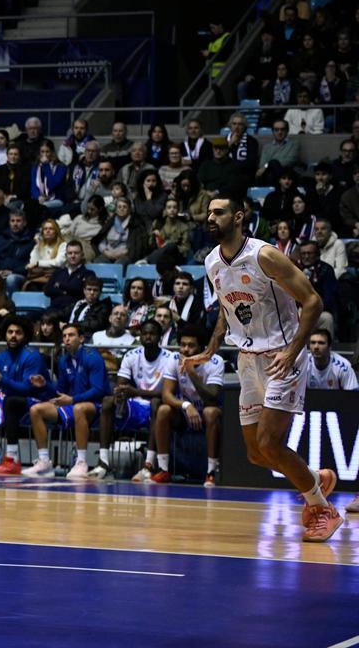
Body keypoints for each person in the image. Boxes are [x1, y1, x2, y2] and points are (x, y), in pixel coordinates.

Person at [185, 196, 342, 542]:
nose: (210, 217)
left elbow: (313, 301)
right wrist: (211, 348)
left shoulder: (265, 255)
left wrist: (293, 350)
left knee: (269, 443)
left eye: (218, 212)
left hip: (281, 355)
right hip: (247, 358)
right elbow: (226, 309)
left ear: (238, 217)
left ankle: (323, 509)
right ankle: (314, 478)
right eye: (208, 212)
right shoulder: (211, 262)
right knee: (256, 454)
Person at [87, 320, 178, 481]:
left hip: (159, 406)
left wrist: (135, 391)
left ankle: (148, 464)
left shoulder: (170, 358)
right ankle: (103, 462)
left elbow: (167, 393)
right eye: (145, 333)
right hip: (137, 404)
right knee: (107, 401)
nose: (148, 336)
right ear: (140, 336)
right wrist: (120, 393)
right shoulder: (131, 355)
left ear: (160, 337)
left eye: (152, 334)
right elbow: (122, 385)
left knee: (156, 403)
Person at [24, 324, 111, 478]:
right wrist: (45, 385)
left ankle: (81, 462)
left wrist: (73, 399)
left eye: (71, 335)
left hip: (96, 405)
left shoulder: (93, 357)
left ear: (81, 339)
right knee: (36, 409)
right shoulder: (64, 360)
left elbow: (98, 389)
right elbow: (60, 391)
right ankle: (44, 463)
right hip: (73, 403)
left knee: (79, 408)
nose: (67, 339)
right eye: (64, 336)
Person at [159, 325, 225, 486]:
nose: (185, 350)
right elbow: (166, 395)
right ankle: (163, 469)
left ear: (202, 348)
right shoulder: (174, 358)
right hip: (186, 412)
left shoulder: (216, 361)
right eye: (182, 345)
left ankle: (211, 471)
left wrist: (191, 372)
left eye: (191, 345)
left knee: (210, 412)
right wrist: (186, 405)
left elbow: (212, 398)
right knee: (163, 410)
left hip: (207, 410)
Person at [0, 317, 52, 476]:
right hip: (13, 399)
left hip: (38, 400)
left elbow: (26, 389)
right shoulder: (1, 356)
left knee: (11, 401)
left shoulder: (32, 356)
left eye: (18, 332)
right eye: (10, 332)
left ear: (25, 335)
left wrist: (0, 378)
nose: (13, 336)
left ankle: (12, 459)